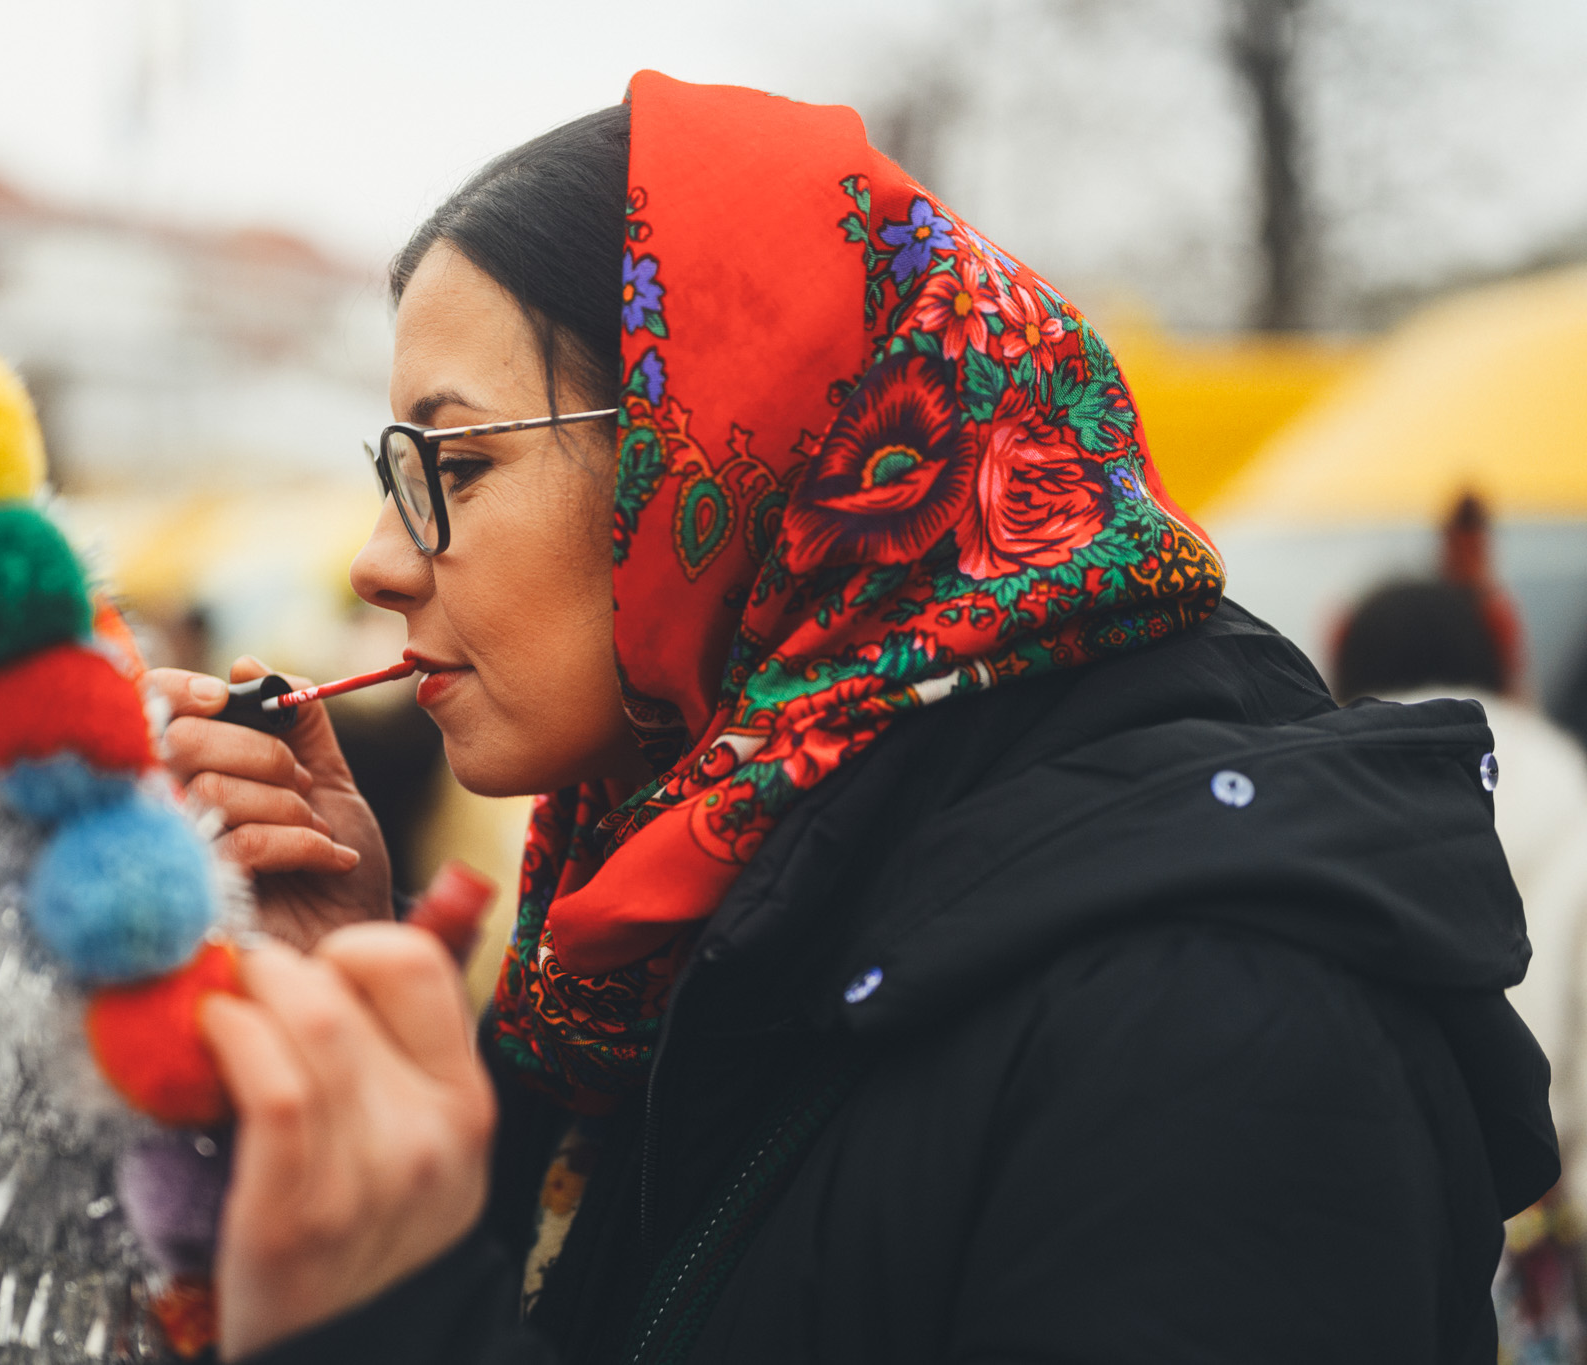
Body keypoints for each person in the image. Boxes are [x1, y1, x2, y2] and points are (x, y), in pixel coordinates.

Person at [149, 73, 1556, 1363]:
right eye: (394, 475)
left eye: (450, 464)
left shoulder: (1213, 1021)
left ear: (727, 453)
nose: (378, 562)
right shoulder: (672, 922)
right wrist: (347, 1020)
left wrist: (390, 1325)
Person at [1334, 522, 1587, 1365]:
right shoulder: (1574, 803)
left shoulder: (1312, 814)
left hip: (1379, 1261)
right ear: (1501, 660)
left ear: (1344, 664)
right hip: (1542, 1274)